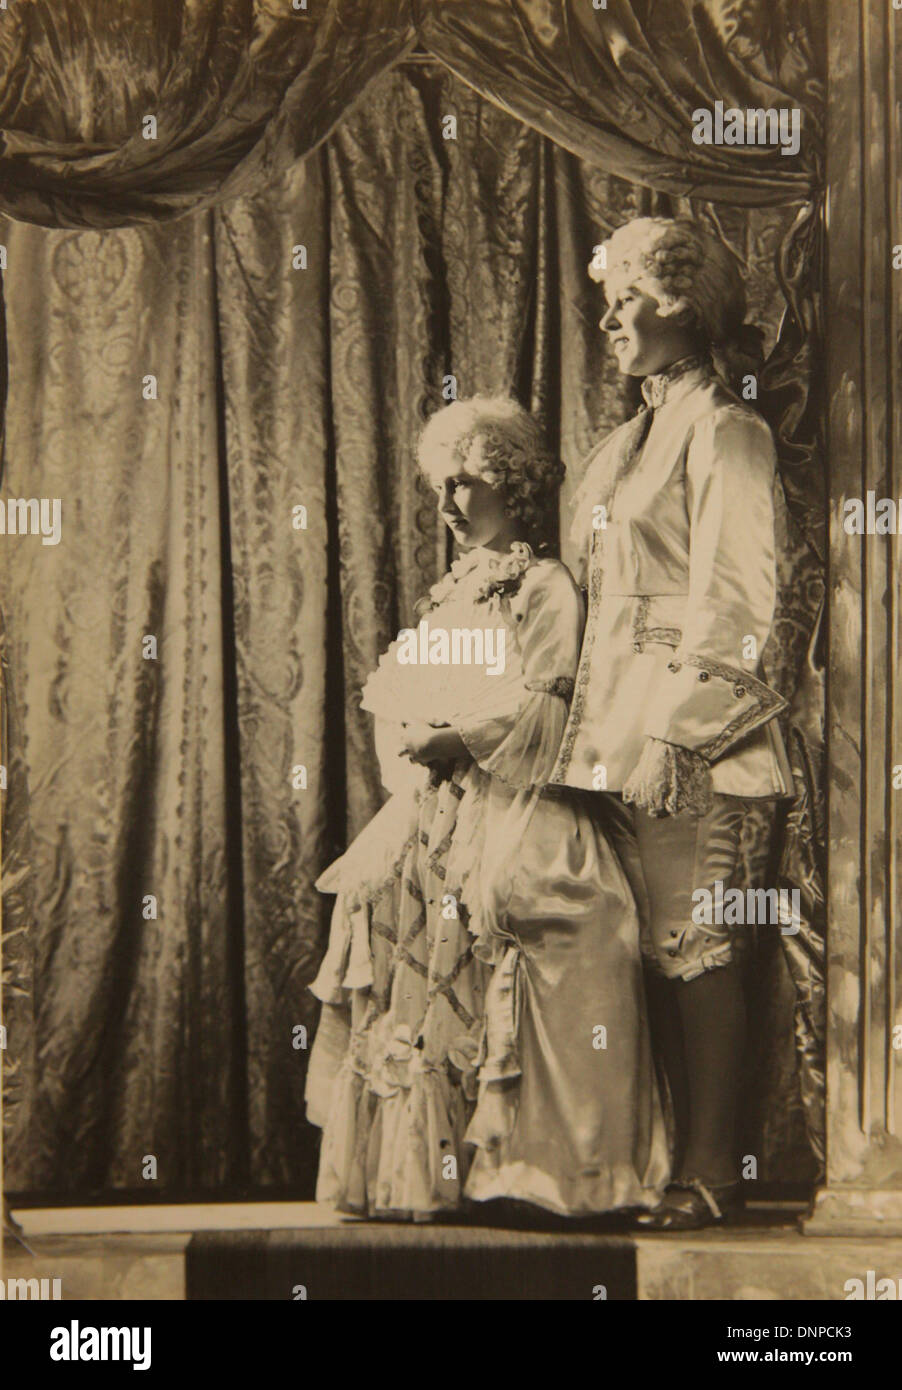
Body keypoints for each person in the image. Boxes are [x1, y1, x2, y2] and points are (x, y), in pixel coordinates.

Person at [305, 395, 668, 1221]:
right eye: (443, 485)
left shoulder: (544, 585)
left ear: (512, 483)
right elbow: (401, 701)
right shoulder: (453, 592)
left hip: (525, 799)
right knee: (382, 906)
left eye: (464, 483)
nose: (448, 505)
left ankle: (535, 1174)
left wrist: (463, 740)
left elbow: (552, 707)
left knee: (539, 908)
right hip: (444, 805)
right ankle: (428, 1171)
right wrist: (424, 744)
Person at [551, 217, 794, 1230]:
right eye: (606, 304)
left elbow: (741, 602)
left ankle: (709, 1172)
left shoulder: (724, 430)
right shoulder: (617, 448)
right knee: (632, 952)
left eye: (627, 301)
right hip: (603, 735)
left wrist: (676, 731)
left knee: (693, 946)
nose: (610, 320)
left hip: (693, 740)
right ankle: (643, 1163)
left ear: (682, 306)